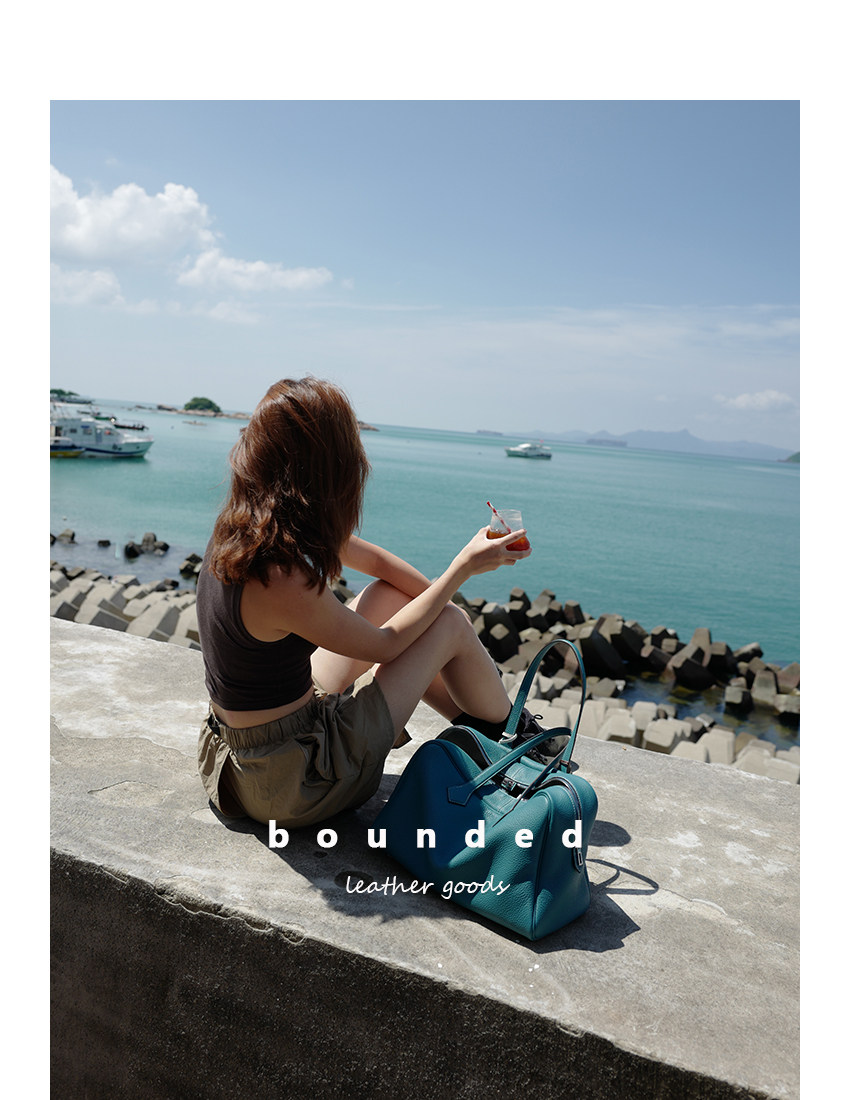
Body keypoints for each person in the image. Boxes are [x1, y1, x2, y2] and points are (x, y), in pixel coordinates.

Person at [196, 376, 545, 828]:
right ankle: (512, 735)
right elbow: (386, 645)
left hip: (251, 745)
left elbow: (377, 564)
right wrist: (461, 571)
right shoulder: (279, 575)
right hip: (294, 780)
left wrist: (435, 599)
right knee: (450, 625)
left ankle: (487, 728)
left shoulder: (248, 527)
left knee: (392, 598)